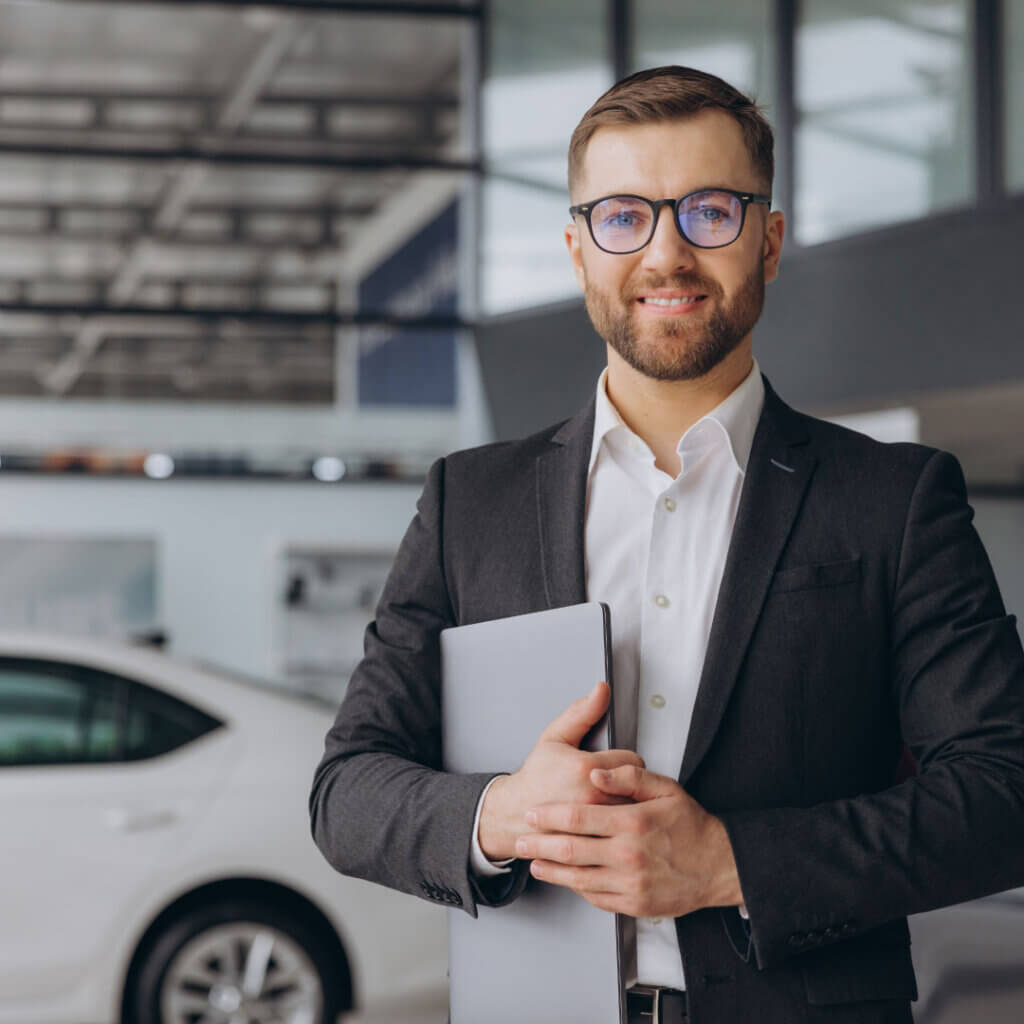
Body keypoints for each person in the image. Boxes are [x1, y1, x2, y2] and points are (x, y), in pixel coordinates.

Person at [309, 66, 1024, 1024]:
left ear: (769, 241)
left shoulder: (893, 501)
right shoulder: (468, 502)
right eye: (622, 217)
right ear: (576, 250)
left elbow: (1002, 792)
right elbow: (348, 788)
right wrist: (504, 815)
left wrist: (729, 863)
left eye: (710, 211)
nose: (666, 251)